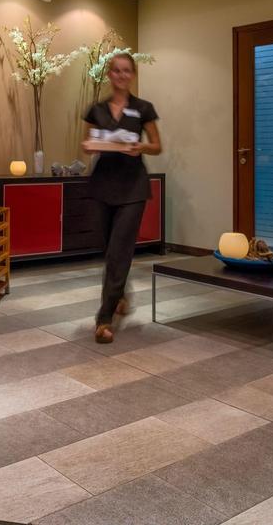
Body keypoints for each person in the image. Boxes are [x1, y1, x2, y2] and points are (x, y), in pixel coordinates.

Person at [82, 53, 162, 343]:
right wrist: (90, 146)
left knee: (119, 252)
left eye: (126, 71)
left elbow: (157, 146)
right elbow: (88, 143)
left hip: (133, 188)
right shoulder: (97, 109)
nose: (121, 75)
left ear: (133, 74)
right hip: (102, 186)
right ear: (109, 75)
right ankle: (121, 294)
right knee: (109, 250)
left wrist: (140, 146)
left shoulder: (143, 108)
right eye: (116, 71)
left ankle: (104, 319)